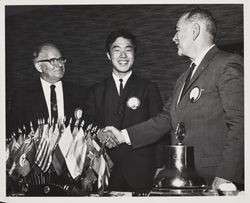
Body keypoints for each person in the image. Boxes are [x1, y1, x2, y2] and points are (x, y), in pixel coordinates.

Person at [103, 8, 244, 190]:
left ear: (194, 31)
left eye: (178, 30)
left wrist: (226, 175)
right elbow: (165, 119)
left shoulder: (226, 64)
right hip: (190, 178)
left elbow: (242, 124)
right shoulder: (183, 77)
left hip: (216, 179)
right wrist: (122, 136)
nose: (174, 38)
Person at [85, 30, 166, 192]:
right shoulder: (96, 90)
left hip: (141, 171)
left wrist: (160, 166)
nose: (123, 55)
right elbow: (88, 122)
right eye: (117, 50)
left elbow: (160, 129)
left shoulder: (148, 88)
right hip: (105, 170)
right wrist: (99, 132)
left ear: (134, 54)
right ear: (108, 55)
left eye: (128, 50)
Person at [8, 43, 88, 134]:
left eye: (61, 60)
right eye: (53, 60)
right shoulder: (22, 95)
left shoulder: (79, 92)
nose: (60, 64)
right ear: (39, 67)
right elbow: (13, 133)